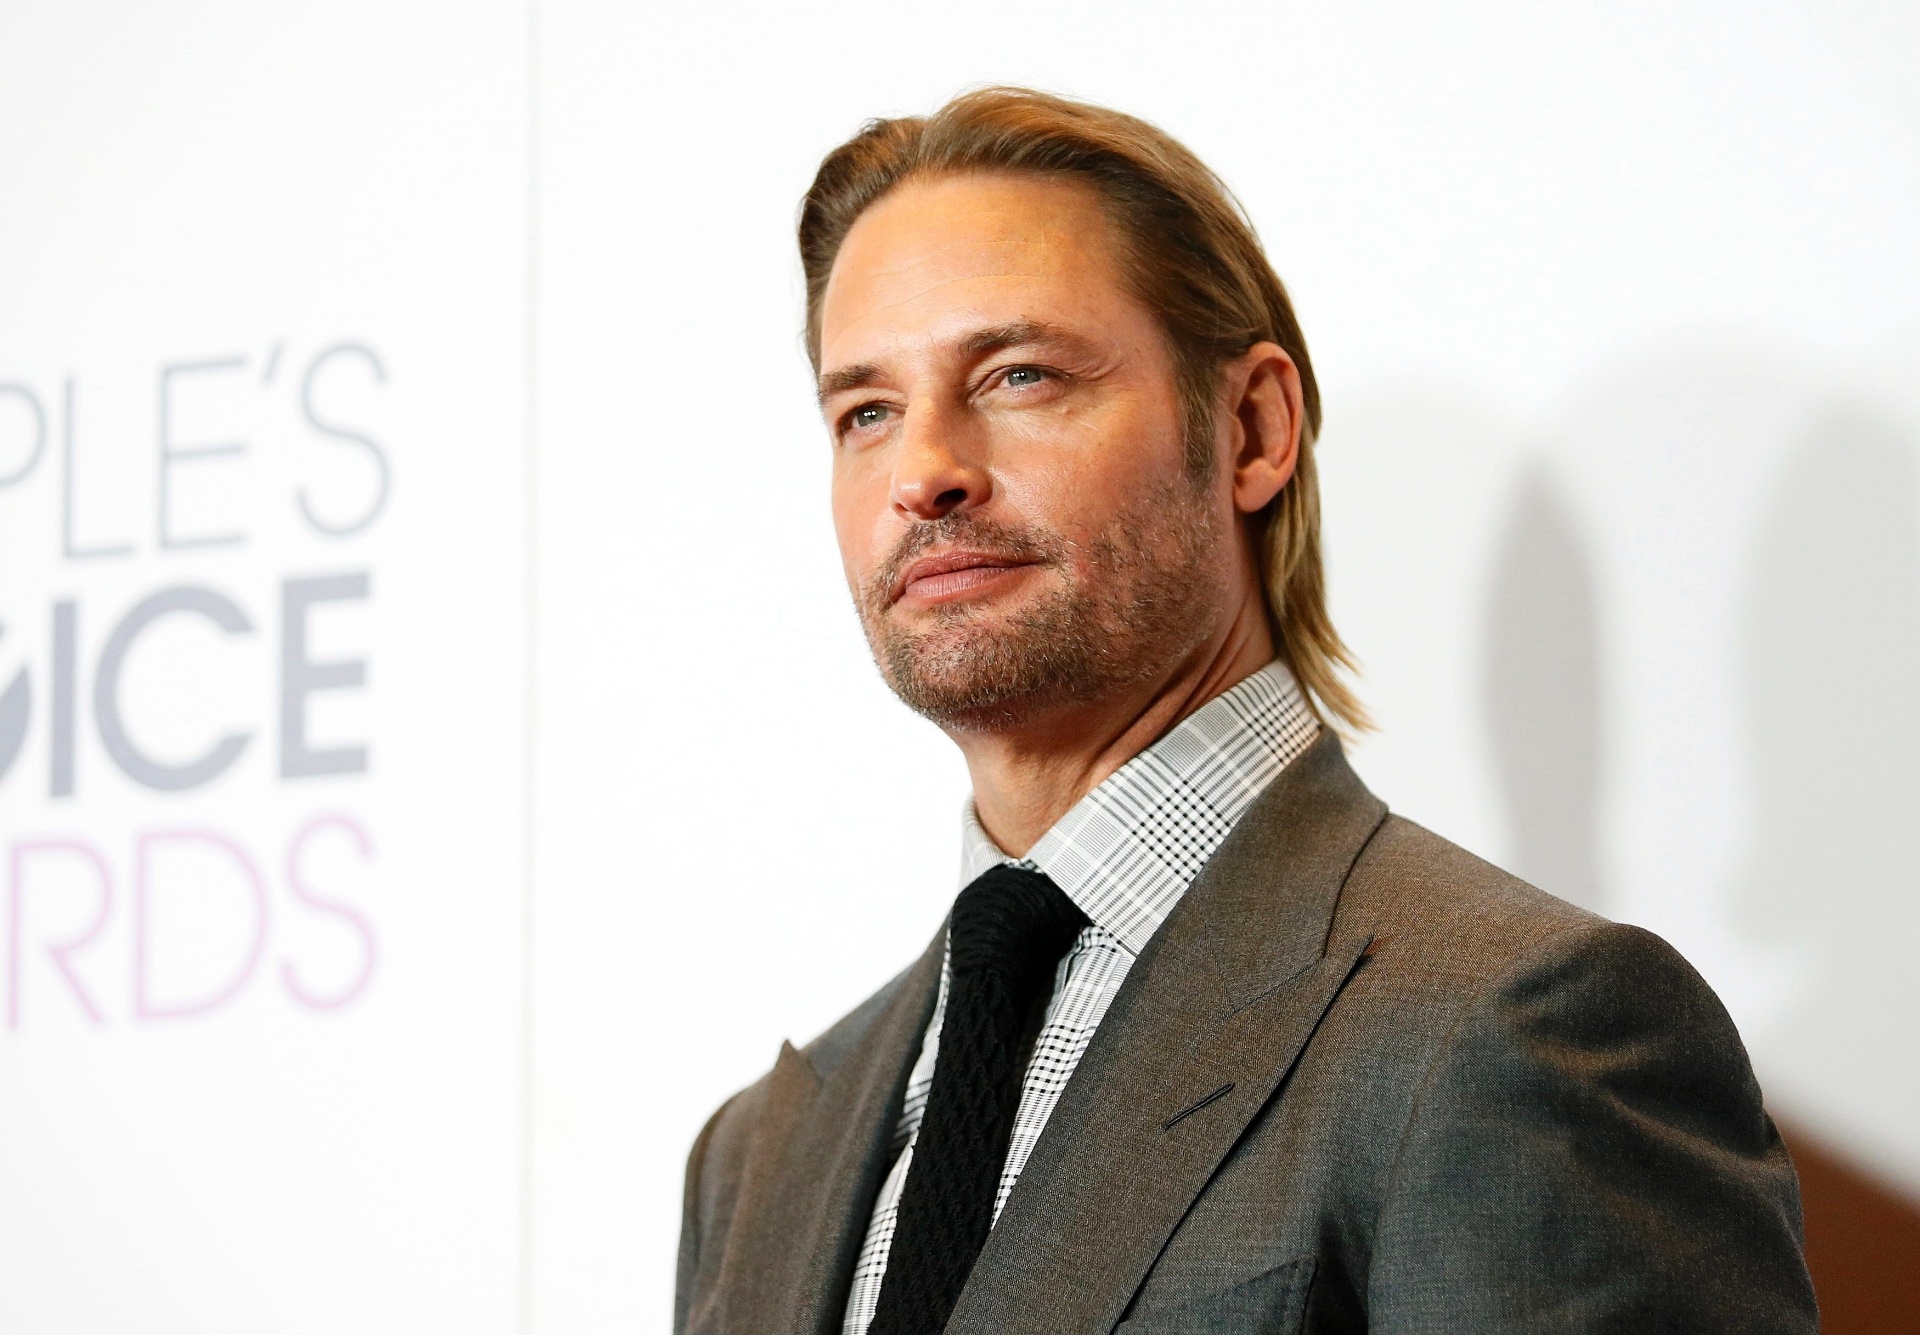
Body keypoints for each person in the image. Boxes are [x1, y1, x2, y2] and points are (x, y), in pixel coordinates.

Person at [673, 87, 1816, 1335]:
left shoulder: (1517, 1035)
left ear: (1253, 429)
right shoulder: (760, 1158)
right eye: (867, 412)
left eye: (1019, 374)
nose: (923, 471)